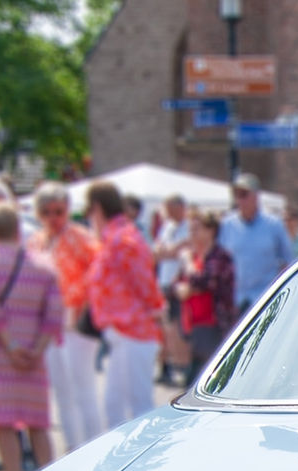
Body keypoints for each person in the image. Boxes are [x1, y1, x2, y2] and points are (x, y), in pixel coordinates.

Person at [0, 201, 62, 471]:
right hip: (34, 351)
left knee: (4, 423)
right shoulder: (43, 265)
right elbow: (55, 311)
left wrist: (11, 347)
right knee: (38, 422)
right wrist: (38, 348)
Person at [28, 180, 104, 452]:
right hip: (48, 323)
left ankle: (94, 447)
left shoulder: (79, 236)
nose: (53, 218)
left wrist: (81, 301)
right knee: (61, 390)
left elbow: (99, 271)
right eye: (47, 212)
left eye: (58, 211)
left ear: (68, 210)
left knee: (82, 386)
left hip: (77, 320)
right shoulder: (36, 242)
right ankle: (73, 447)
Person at [84, 180, 165, 429]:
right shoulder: (116, 237)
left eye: (88, 211)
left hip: (134, 330)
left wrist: (156, 311)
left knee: (139, 407)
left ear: (97, 208)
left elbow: (144, 281)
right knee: (115, 405)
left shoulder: (123, 238)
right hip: (123, 332)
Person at [173, 210, 236, 383]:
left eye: (196, 229)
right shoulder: (196, 257)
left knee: (202, 380)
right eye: (190, 229)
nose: (191, 234)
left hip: (213, 326)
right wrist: (183, 288)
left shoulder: (219, 256)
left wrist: (188, 268)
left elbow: (207, 282)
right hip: (194, 324)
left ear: (211, 231)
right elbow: (177, 284)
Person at [218, 172, 292, 315]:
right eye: (237, 195)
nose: (240, 200)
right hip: (235, 301)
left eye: (244, 194)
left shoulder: (274, 225)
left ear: (256, 196)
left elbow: (288, 261)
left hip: (266, 299)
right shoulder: (227, 225)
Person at [151, 193, 191, 386]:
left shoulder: (189, 226)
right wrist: (167, 252)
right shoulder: (168, 227)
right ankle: (166, 366)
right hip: (164, 283)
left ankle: (183, 367)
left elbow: (178, 252)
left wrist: (167, 252)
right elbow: (156, 253)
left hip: (179, 283)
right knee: (165, 328)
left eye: (169, 208)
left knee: (178, 328)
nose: (166, 212)